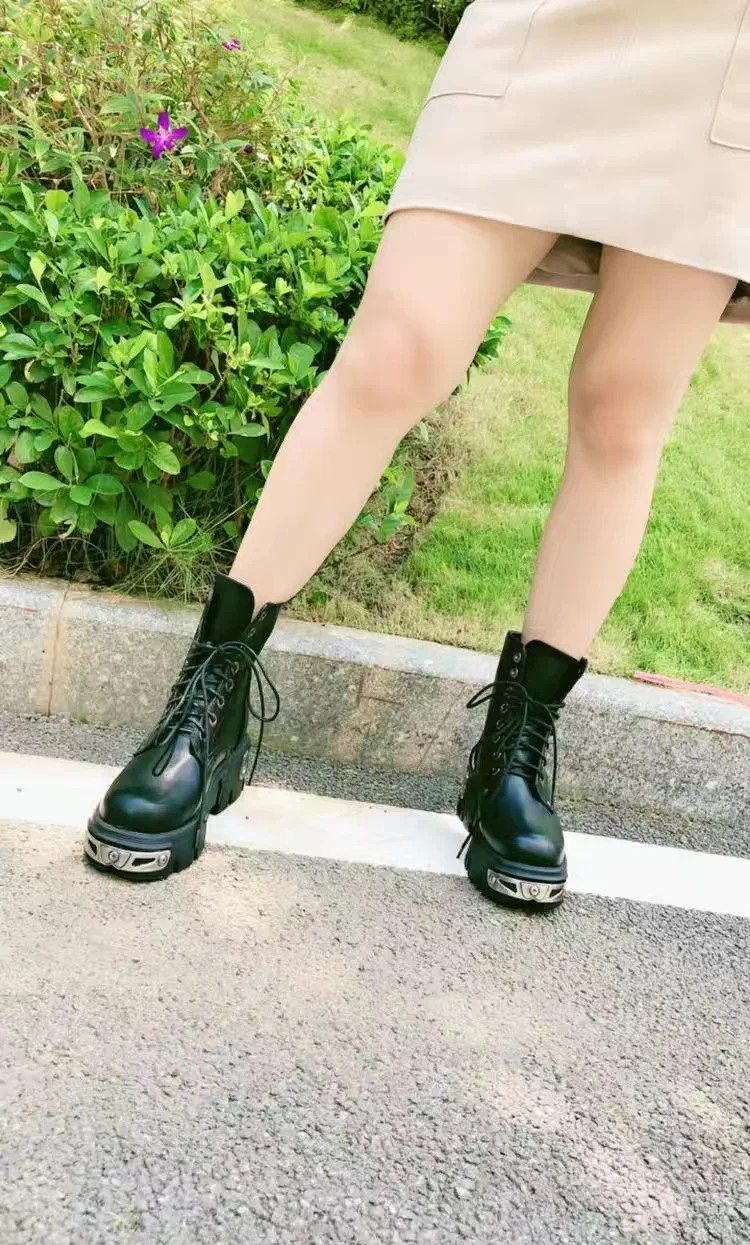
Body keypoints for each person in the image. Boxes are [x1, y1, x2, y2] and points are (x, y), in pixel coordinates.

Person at [84, 0, 749, 905]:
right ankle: (208, 705)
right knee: (392, 355)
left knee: (623, 412)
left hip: (722, 65)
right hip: (548, 30)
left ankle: (514, 756)